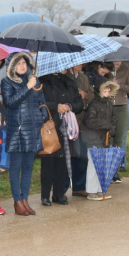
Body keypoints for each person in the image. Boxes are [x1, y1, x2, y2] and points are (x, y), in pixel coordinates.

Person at [1, 52, 47, 216]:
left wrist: (43, 114)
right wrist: (27, 87)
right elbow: (10, 103)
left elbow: (41, 100)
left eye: (24, 63)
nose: (22, 66)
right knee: (16, 167)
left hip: (33, 129)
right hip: (18, 130)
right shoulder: (7, 82)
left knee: (28, 167)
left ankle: (25, 200)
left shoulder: (35, 80)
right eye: (18, 63)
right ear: (12, 66)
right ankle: (17, 201)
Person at [39, 69, 83, 206]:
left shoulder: (69, 82)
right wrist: (55, 106)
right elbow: (39, 102)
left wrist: (69, 106)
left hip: (66, 127)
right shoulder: (42, 82)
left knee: (62, 162)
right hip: (50, 127)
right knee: (48, 162)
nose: (65, 68)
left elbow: (79, 103)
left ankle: (58, 194)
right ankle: (45, 196)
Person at [81, 77, 118, 200]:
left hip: (102, 138)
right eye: (105, 91)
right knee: (93, 165)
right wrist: (107, 125)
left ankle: (99, 190)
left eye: (108, 91)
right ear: (99, 91)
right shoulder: (95, 104)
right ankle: (91, 191)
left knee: (101, 165)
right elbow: (89, 120)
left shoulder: (108, 103)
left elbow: (114, 118)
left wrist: (112, 127)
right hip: (93, 138)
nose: (107, 94)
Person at [66, 64, 94, 197]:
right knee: (67, 156)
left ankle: (79, 186)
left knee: (82, 155)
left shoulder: (84, 77)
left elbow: (92, 95)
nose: (82, 64)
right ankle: (61, 189)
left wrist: (86, 95)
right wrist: (76, 96)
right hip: (68, 122)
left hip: (82, 122)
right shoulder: (65, 76)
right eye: (79, 61)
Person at [109, 61, 129, 177]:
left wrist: (119, 84)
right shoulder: (105, 70)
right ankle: (107, 168)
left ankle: (116, 169)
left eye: (119, 59)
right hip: (108, 107)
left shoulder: (126, 69)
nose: (117, 62)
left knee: (119, 140)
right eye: (114, 60)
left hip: (122, 107)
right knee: (108, 139)